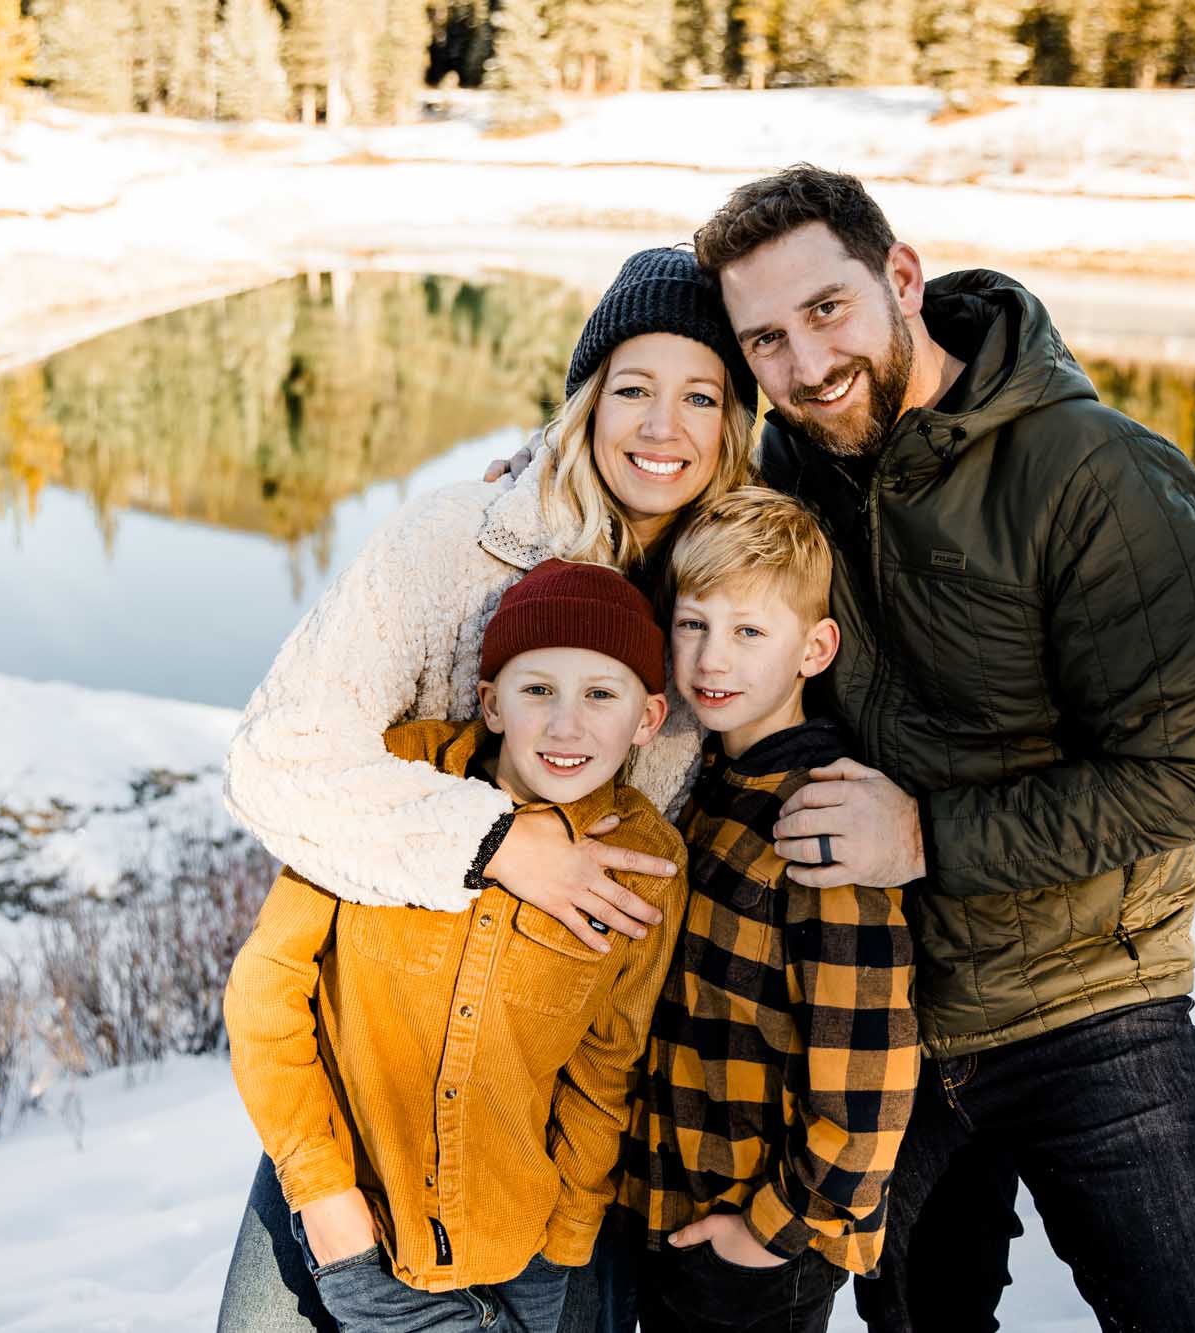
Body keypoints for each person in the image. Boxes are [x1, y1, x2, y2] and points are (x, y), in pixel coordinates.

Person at [691, 165, 1195, 1332]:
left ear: (901, 277)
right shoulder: (793, 477)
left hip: (1087, 1002)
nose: (804, 366)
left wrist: (922, 836)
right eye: (763, 342)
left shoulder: (1096, 474)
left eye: (825, 311)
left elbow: (1190, 773)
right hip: (886, 1011)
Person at [216, 247, 759, 1332]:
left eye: (699, 396)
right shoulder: (454, 546)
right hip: (366, 1101)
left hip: (549, 1141)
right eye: (632, 391)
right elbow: (276, 760)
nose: (662, 428)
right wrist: (498, 840)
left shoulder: (728, 602)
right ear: (584, 401)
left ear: (734, 425)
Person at [224, 559, 691, 1333]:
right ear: (491, 702)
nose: (565, 725)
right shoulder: (397, 775)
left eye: (600, 694)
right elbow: (266, 985)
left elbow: (606, 1067)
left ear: (647, 719)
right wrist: (321, 1193)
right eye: (537, 688)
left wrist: (567, 1237)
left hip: (523, 1254)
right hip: (362, 1232)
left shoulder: (645, 862)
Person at [613, 487, 920, 1333]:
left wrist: (773, 1232)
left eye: (750, 632)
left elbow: (871, 1077)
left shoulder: (826, 821)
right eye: (693, 624)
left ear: (814, 648)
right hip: (673, 1208)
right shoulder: (709, 785)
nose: (714, 659)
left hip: (757, 1242)